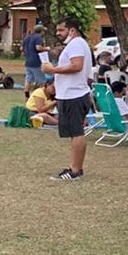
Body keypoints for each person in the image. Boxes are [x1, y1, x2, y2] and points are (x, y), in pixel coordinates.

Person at [43, 15, 93, 181]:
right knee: (73, 132)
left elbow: (77, 66)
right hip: (71, 94)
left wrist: (54, 70)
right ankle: (74, 166)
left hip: (75, 95)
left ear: (72, 30)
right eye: (57, 30)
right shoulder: (76, 44)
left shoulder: (77, 43)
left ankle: (76, 170)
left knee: (77, 132)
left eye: (61, 30)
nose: (58, 33)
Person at [22, 23, 47, 90]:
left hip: (28, 61)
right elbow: (38, 48)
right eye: (43, 31)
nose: (44, 33)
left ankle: (27, 96)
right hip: (36, 62)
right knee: (42, 81)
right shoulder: (38, 37)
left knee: (28, 79)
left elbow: (21, 49)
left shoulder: (27, 37)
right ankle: (42, 96)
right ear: (41, 31)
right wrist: (46, 48)